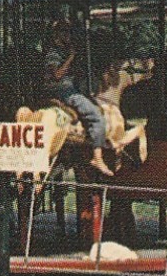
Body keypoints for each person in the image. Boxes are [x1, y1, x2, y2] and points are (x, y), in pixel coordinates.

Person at [43, 21, 114, 177]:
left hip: (69, 89)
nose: (68, 36)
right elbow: (57, 75)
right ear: (57, 35)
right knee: (96, 117)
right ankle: (97, 157)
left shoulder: (62, 51)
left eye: (69, 32)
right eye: (64, 32)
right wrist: (71, 57)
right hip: (62, 91)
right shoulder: (53, 54)